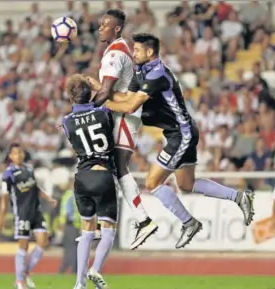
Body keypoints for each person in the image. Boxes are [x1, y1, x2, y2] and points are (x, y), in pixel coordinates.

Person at [103, 33, 255, 249]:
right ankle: (240, 197)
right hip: (180, 132)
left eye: (136, 50)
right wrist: (103, 92)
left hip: (181, 133)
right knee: (186, 184)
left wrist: (103, 103)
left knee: (152, 183)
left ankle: (189, 222)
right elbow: (126, 99)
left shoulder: (157, 74)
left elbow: (130, 107)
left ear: (149, 52)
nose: (133, 53)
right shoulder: (142, 71)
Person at [80, 9, 158, 250]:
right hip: (121, 114)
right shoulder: (118, 49)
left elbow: (105, 92)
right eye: (100, 24)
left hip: (124, 115)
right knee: (110, 167)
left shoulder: (115, 53)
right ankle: (104, 224)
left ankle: (143, 219)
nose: (100, 27)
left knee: (118, 166)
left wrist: (81, 113)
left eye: (106, 25)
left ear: (116, 28)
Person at [60, 74, 144, 289]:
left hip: (82, 177)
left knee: (86, 230)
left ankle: (79, 283)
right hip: (103, 174)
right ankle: (95, 269)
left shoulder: (66, 121)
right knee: (108, 228)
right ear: (91, 93)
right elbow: (118, 106)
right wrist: (101, 89)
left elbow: (77, 121)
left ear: (71, 97)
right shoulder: (104, 113)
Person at [0, 143, 57, 289]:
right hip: (22, 214)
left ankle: (24, 272)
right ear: (11, 156)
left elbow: (35, 187)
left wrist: (48, 198)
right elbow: (4, 197)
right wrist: (2, 216)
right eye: (15, 153)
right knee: (23, 247)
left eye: (20, 152)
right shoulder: (8, 174)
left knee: (43, 242)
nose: (18, 155)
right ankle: (20, 281)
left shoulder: (29, 169)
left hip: (36, 212)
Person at [59, 185, 81, 274]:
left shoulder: (68, 195)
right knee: (75, 249)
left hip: (70, 225)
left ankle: (66, 270)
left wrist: (63, 223)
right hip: (77, 226)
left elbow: (66, 211)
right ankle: (72, 270)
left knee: (69, 248)